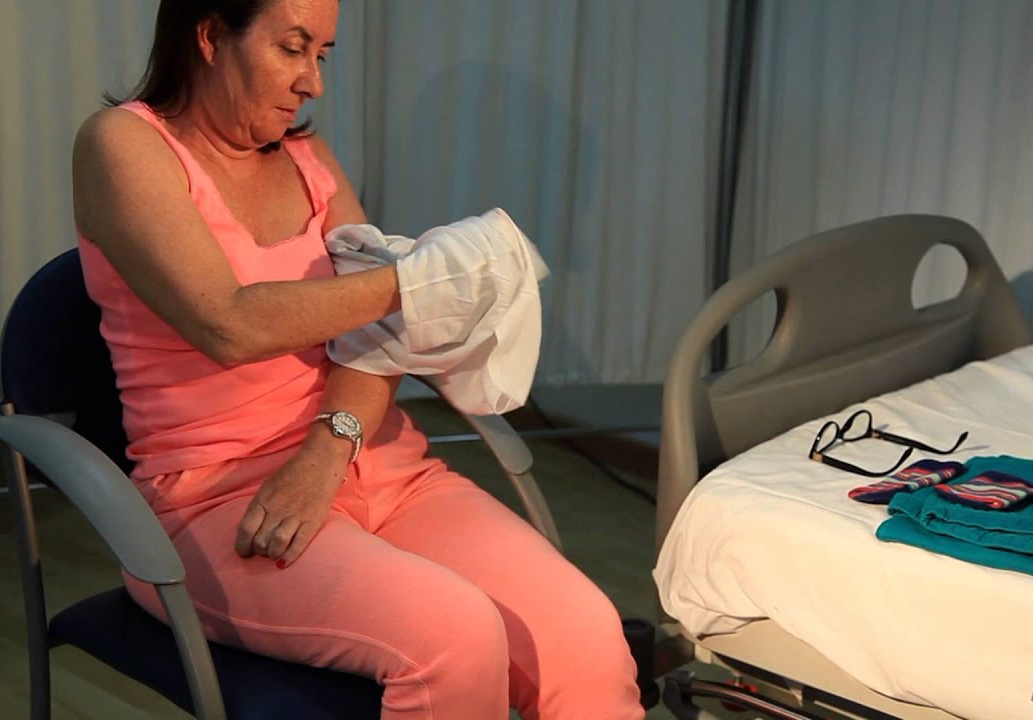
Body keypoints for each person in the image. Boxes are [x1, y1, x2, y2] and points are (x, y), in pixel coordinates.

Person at [71, 1, 644, 717]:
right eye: (292, 48)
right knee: (455, 638)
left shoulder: (309, 160)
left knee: (583, 632)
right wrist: (423, 280)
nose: (313, 81)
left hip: (368, 462)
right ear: (212, 35)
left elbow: (377, 340)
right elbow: (230, 323)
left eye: (324, 54)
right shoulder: (122, 146)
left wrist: (328, 449)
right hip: (221, 500)